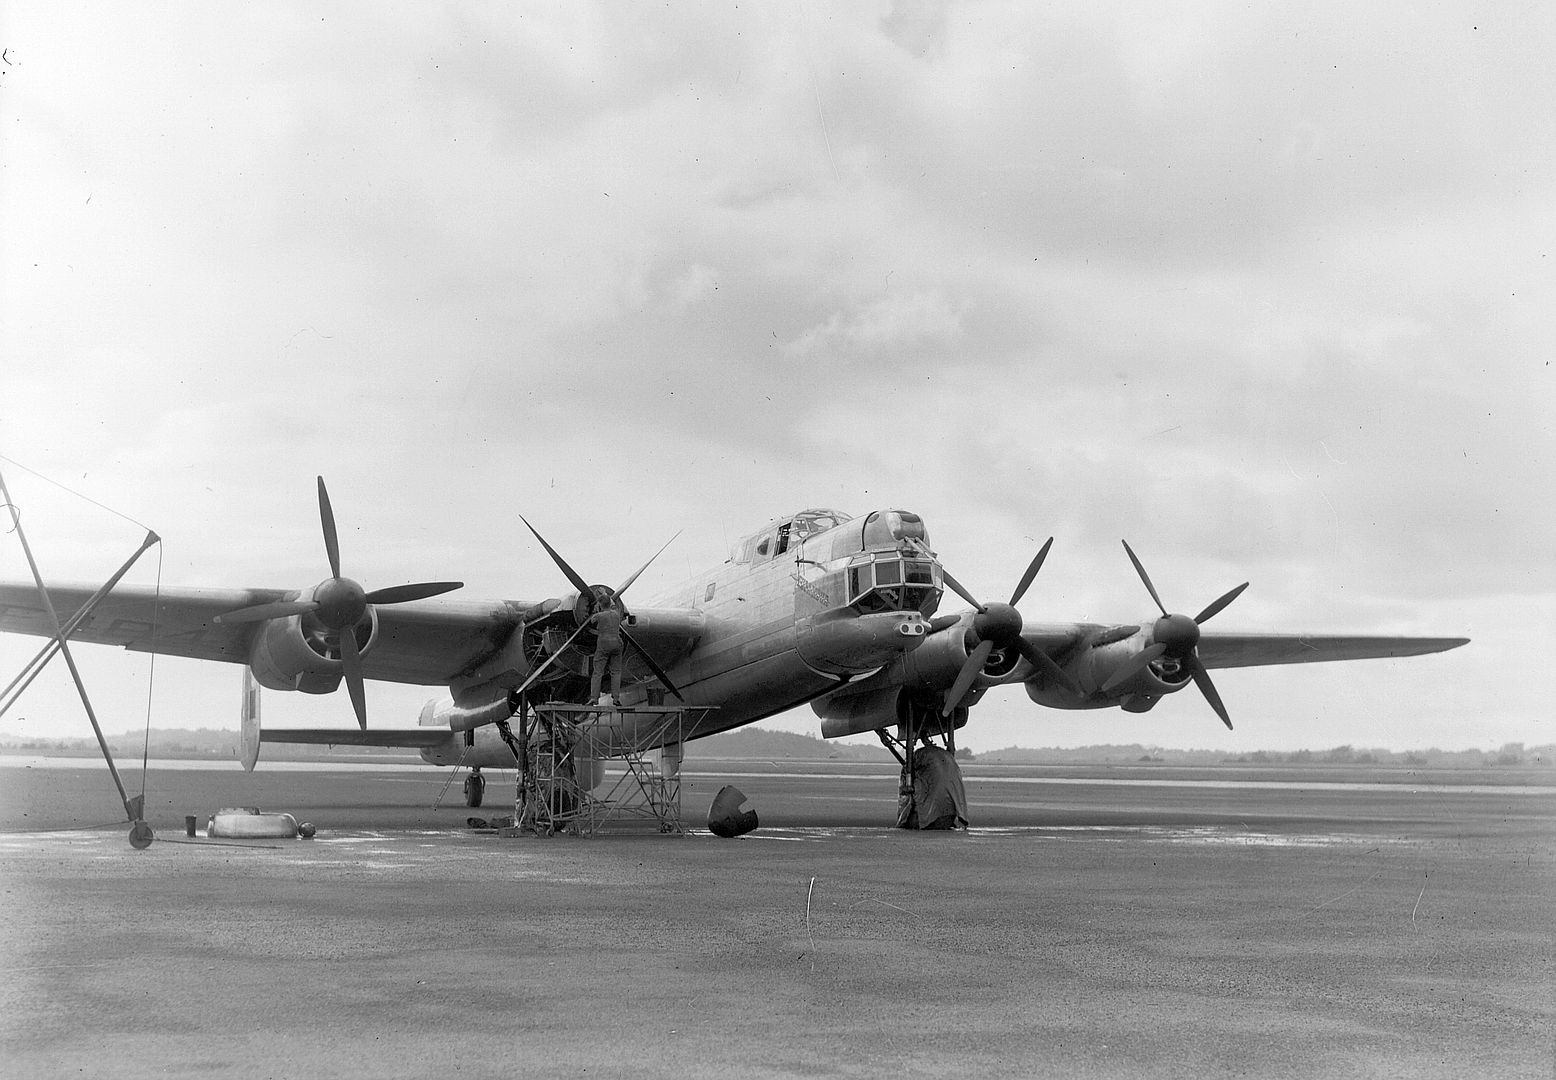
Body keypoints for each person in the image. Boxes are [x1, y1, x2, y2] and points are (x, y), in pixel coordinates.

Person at [588, 603, 625, 706]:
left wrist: (595, 611)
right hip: (617, 644)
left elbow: (591, 620)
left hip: (604, 644)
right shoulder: (617, 614)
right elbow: (613, 606)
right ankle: (616, 698)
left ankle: (594, 698)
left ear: (600, 605)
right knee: (616, 672)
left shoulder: (599, 615)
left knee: (598, 672)